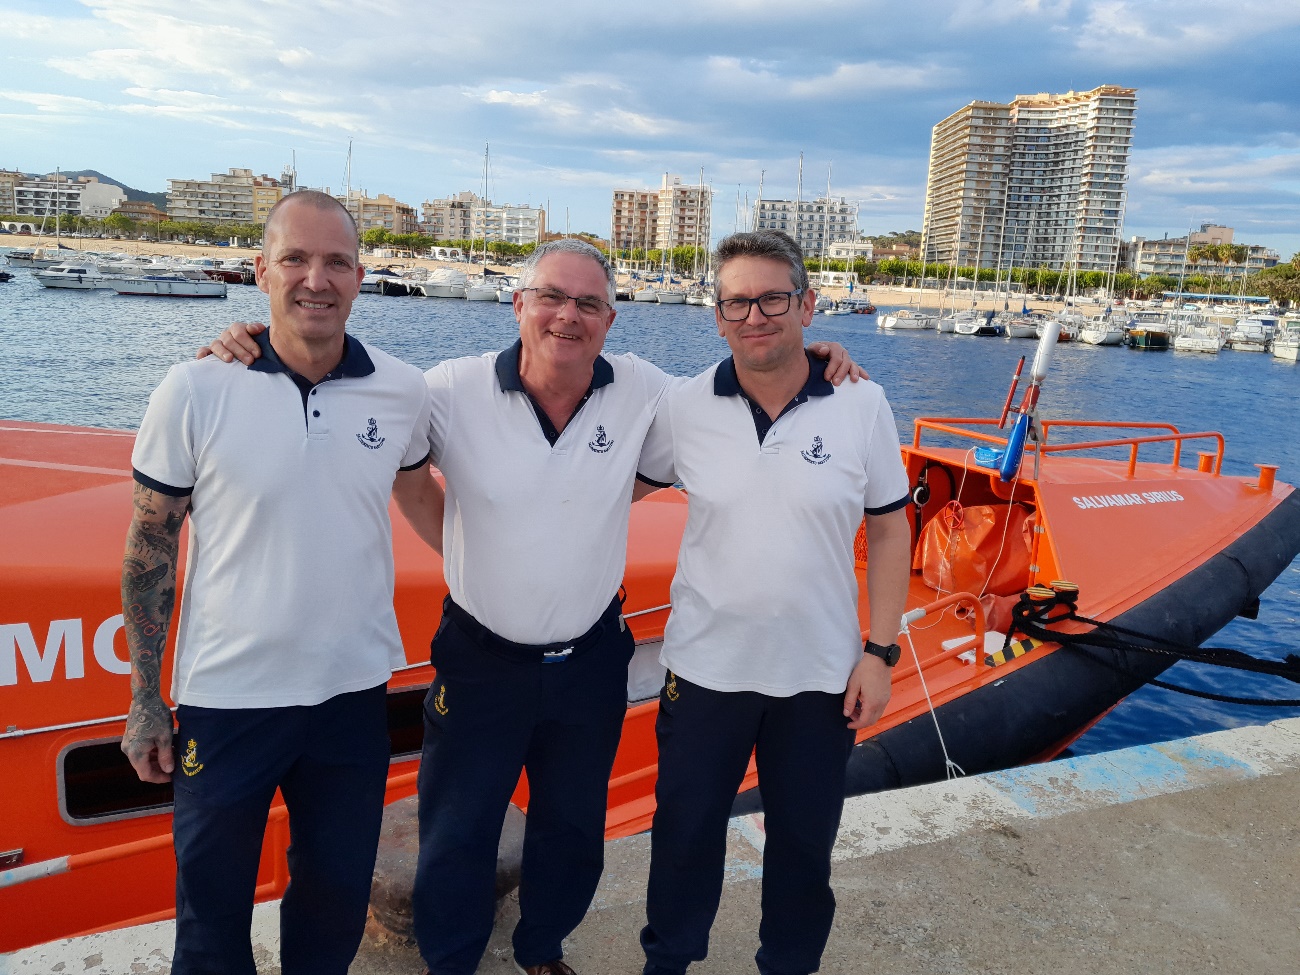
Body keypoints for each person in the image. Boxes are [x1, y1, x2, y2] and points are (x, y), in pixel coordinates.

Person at [200, 238, 864, 975]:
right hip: (482, 658)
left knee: (573, 827)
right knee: (457, 828)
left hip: (588, 656)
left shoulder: (646, 391)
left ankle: (541, 948)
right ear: (519, 305)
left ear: (610, 319)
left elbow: (749, 373)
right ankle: (452, 961)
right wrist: (259, 341)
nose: (566, 316)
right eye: (550, 296)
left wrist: (818, 354)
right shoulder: (450, 388)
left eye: (587, 303)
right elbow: (397, 457)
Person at [121, 190, 435, 975]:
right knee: (210, 918)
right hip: (227, 701)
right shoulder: (195, 389)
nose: (315, 278)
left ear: (361, 277)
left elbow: (439, 486)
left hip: (350, 698)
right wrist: (144, 698)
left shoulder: (401, 392)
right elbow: (148, 546)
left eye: (335, 261)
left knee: (332, 909)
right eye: (295, 258)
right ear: (260, 270)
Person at [635, 230, 912, 975]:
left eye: (772, 298)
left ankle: (788, 965)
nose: (754, 315)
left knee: (802, 844)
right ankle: (669, 962)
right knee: (684, 835)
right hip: (702, 671)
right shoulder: (683, 406)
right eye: (736, 302)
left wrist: (879, 653)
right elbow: (608, 480)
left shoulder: (863, 403)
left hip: (819, 677)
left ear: (807, 306)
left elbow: (890, 530)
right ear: (717, 315)